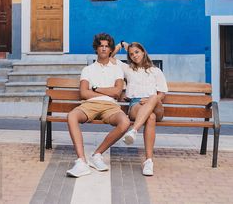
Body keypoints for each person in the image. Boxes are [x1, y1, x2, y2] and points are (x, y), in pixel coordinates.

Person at [66, 33, 130, 178]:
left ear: (110, 50)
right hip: (90, 105)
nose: (104, 49)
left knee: (125, 122)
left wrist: (95, 89)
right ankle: (81, 161)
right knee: (71, 116)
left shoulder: (117, 69)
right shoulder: (88, 70)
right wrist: (108, 92)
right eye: (101, 46)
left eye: (107, 46)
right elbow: (83, 93)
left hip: (110, 107)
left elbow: (118, 92)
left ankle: (97, 155)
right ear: (96, 48)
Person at [111, 41, 168, 176]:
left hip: (155, 104)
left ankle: (134, 130)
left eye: (137, 52)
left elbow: (162, 93)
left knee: (154, 97)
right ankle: (149, 162)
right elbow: (110, 58)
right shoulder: (127, 69)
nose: (134, 56)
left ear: (143, 52)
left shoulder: (156, 71)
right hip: (136, 104)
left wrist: (150, 100)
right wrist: (120, 46)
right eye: (131, 54)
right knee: (151, 117)